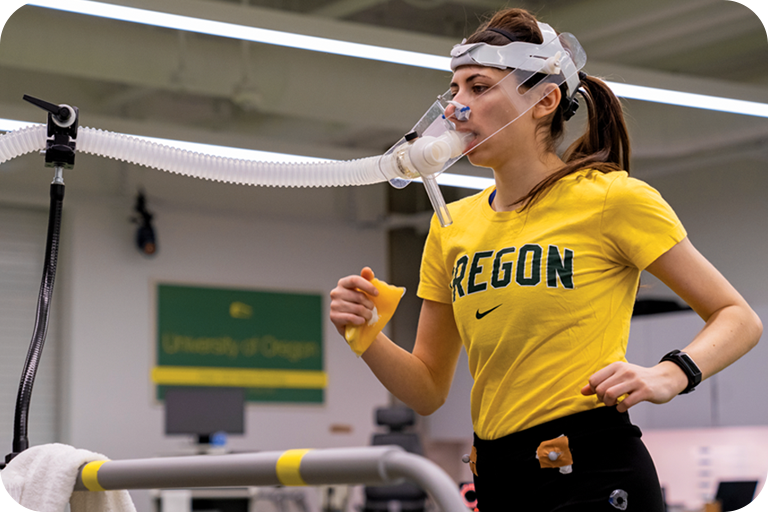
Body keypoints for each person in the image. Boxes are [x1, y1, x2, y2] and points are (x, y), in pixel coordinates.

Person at [329, 8, 762, 512]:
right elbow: (427, 390)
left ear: (545, 100)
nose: (455, 108)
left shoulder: (610, 199)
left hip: (592, 472)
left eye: (479, 87)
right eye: (454, 90)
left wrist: (670, 374)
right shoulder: (451, 225)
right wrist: (366, 335)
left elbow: (738, 317)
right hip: (495, 474)